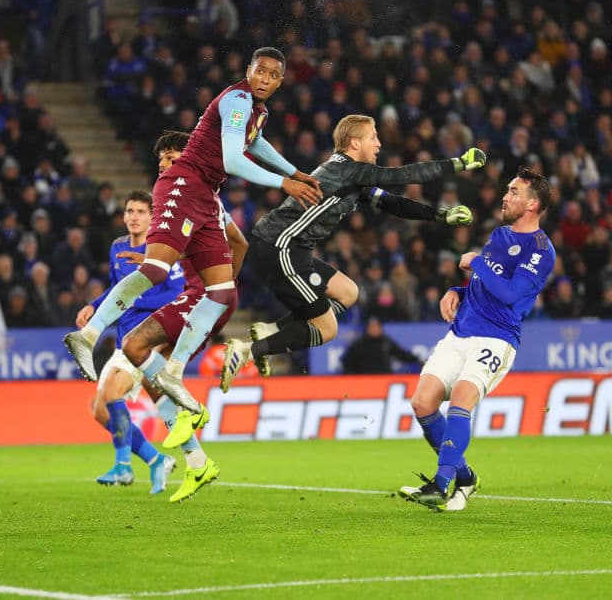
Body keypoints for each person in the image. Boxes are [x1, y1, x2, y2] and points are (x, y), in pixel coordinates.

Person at [64, 47, 322, 445]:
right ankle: (90, 335)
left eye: (273, 74)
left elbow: (256, 145)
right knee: (154, 269)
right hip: (184, 184)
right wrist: (285, 183)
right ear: (248, 70)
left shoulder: (258, 112)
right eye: (260, 70)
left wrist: (294, 170)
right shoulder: (237, 99)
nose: (265, 79)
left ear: (281, 81)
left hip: (204, 194)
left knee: (221, 292)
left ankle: (174, 371)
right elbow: (236, 160)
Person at [219, 114, 484, 389]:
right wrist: (458, 163)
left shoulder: (350, 176)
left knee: (348, 291)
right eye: (374, 137)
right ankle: (248, 350)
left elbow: (393, 203)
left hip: (290, 248)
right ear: (354, 143)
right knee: (328, 329)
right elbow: (401, 175)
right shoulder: (349, 171)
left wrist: (440, 216)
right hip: (280, 247)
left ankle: (270, 331)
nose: (379, 143)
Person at [399, 168, 555, 511]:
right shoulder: (499, 235)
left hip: (497, 338)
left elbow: (512, 294)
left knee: (461, 400)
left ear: (532, 204)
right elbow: (485, 285)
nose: (506, 196)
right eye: (508, 190)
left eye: (514, 192)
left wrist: (477, 262)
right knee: (422, 403)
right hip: (461, 331)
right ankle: (466, 477)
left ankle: (440, 485)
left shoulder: (541, 250)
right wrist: (456, 290)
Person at [116, 131, 249, 502]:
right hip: (210, 294)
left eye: (170, 156)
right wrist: (227, 283)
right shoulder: (208, 198)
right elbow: (240, 243)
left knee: (134, 344)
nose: (163, 164)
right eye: (160, 159)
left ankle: (193, 410)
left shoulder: (188, 197)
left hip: (202, 296)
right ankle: (197, 461)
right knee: (149, 373)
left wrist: (216, 289)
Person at [83, 187, 184, 495]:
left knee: (113, 390)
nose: (134, 217)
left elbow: (178, 292)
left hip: (148, 338)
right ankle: (156, 460)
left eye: (141, 212)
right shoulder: (117, 248)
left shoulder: (164, 249)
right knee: (99, 409)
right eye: (129, 211)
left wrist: (140, 299)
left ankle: (124, 468)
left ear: (152, 218)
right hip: (122, 339)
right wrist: (94, 305)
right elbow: (117, 289)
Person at [340, 317, 422, 374]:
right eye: (371, 327)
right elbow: (347, 362)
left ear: (380, 328)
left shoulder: (386, 342)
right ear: (367, 329)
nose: (374, 329)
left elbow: (401, 354)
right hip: (365, 381)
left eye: (376, 327)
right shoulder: (359, 344)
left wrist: (416, 359)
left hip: (384, 379)